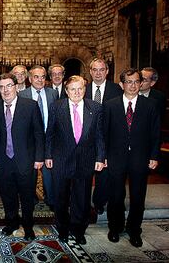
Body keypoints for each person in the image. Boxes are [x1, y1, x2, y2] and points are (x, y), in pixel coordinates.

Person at [45, 75, 105, 245]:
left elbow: (100, 136)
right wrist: (48, 155)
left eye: (80, 88)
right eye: (73, 89)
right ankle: (63, 229)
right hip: (61, 159)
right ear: (66, 91)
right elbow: (50, 133)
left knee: (82, 198)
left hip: (85, 160)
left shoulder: (96, 107)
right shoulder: (56, 107)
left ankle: (79, 230)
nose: (77, 92)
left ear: (85, 89)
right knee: (61, 197)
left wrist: (100, 157)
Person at [104, 68, 160, 247]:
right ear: (121, 84)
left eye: (137, 81)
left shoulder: (149, 105)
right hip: (115, 157)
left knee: (138, 196)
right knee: (116, 196)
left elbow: (155, 133)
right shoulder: (110, 105)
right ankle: (115, 228)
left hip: (140, 158)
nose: (133, 85)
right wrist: (103, 156)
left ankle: (134, 230)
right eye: (129, 82)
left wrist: (154, 155)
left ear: (141, 83)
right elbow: (104, 133)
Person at [0, 73, 44, 240]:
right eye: (1, 87)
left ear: (16, 87)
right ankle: (11, 223)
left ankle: (28, 227)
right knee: (8, 196)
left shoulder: (30, 105)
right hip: (3, 162)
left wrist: (39, 158)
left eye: (9, 85)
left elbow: (39, 133)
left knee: (27, 197)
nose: (5, 90)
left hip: (26, 161)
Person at [85, 58, 123, 215]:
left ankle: (99, 202)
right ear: (90, 71)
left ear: (107, 71)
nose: (98, 73)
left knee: (103, 174)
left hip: (108, 139)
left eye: (101, 69)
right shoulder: (83, 89)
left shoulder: (117, 90)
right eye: (95, 69)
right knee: (85, 173)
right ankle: (84, 203)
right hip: (86, 139)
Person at [18, 65, 57, 209]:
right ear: (29, 79)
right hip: (30, 141)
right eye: (36, 77)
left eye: (42, 77)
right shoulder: (22, 95)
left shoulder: (53, 94)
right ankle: (31, 199)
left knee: (49, 171)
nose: (40, 80)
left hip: (49, 139)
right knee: (30, 173)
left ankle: (51, 199)